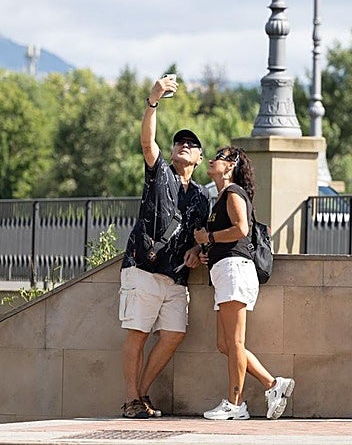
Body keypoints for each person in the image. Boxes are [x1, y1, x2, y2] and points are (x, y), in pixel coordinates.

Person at [119, 75, 210, 419]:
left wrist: (197, 254)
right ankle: (132, 400)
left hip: (176, 278)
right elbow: (147, 142)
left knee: (173, 334)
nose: (183, 145)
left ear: (199, 158)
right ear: (171, 152)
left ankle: (139, 395)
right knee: (138, 334)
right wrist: (152, 101)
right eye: (179, 143)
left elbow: (200, 239)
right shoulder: (160, 172)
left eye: (191, 144)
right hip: (142, 267)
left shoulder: (202, 196)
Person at [195, 146, 294, 421]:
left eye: (220, 157)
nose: (213, 159)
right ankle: (273, 384)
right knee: (225, 344)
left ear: (231, 166)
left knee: (235, 342)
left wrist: (210, 239)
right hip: (226, 271)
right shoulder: (221, 198)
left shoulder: (233, 192)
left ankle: (235, 403)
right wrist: (208, 250)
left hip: (234, 270)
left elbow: (241, 229)